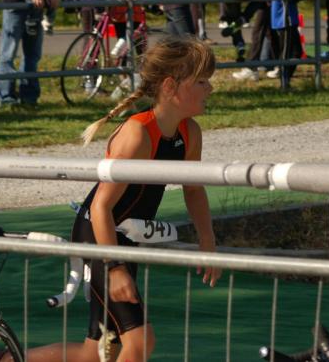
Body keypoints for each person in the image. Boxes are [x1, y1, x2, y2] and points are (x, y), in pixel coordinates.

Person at [22, 36, 220, 362]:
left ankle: (4, 358)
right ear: (170, 87)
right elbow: (101, 206)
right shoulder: (137, 133)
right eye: (201, 81)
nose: (209, 88)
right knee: (140, 342)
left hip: (124, 240)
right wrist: (114, 268)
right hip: (99, 236)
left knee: (96, 352)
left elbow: (194, 189)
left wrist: (207, 239)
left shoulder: (190, 132)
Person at [269, 0, 307, 89]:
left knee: (297, 52)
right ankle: (284, 83)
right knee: (286, 53)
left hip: (292, 20)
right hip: (283, 21)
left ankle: (286, 78)